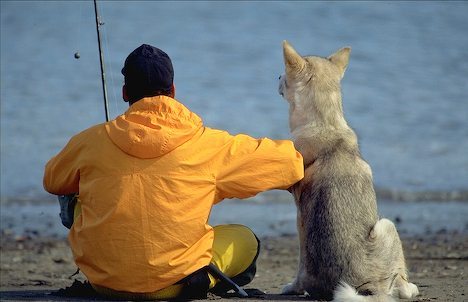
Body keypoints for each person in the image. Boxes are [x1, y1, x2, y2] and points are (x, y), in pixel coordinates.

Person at [43, 44, 304, 299]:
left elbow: (52, 180)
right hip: (174, 286)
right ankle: (204, 280)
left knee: (77, 197)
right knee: (246, 240)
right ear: (173, 90)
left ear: (125, 92)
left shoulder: (89, 141)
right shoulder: (208, 144)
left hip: (105, 284)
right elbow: (290, 164)